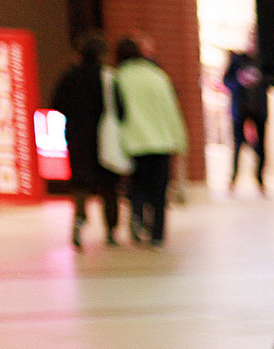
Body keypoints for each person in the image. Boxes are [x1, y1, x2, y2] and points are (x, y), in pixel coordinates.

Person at [111, 38, 187, 251]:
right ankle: (158, 235)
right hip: (162, 141)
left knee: (138, 186)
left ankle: (137, 219)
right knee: (160, 190)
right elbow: (171, 111)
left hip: (133, 141)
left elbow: (116, 112)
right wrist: (179, 140)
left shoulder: (118, 77)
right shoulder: (158, 76)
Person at [47, 34, 120, 248]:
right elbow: (119, 108)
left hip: (78, 135)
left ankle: (79, 224)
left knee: (80, 183)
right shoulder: (108, 76)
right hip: (105, 136)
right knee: (109, 183)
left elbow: (56, 104)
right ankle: (111, 231)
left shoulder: (70, 75)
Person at [223, 33, 268, 193]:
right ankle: (233, 179)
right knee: (237, 144)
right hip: (240, 109)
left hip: (259, 108)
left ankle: (260, 180)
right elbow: (226, 81)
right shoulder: (238, 60)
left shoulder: (263, 61)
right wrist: (240, 81)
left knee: (261, 146)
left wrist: (260, 79)